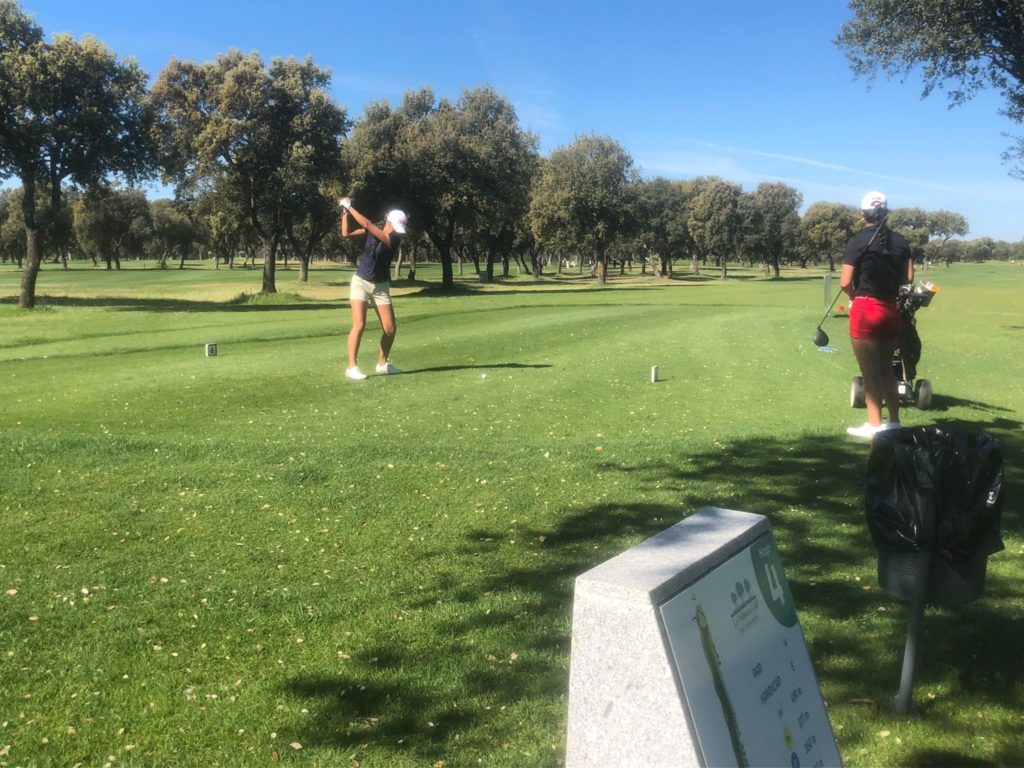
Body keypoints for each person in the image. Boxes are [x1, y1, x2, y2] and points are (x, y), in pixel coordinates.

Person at [840, 191, 914, 439]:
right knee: (886, 371)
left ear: (862, 214)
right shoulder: (901, 241)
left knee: (870, 373)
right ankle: (893, 423)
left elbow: (845, 282)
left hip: (865, 310)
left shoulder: (857, 241)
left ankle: (874, 427)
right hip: (890, 310)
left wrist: (853, 295)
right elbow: (908, 278)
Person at [339, 197, 408, 380]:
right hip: (360, 282)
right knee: (359, 325)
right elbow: (346, 233)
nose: (396, 232)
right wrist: (345, 213)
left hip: (381, 286)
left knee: (390, 329)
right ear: (388, 222)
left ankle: (382, 364)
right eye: (394, 226)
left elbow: (369, 225)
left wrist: (350, 206)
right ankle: (352, 367)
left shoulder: (392, 240)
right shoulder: (373, 231)